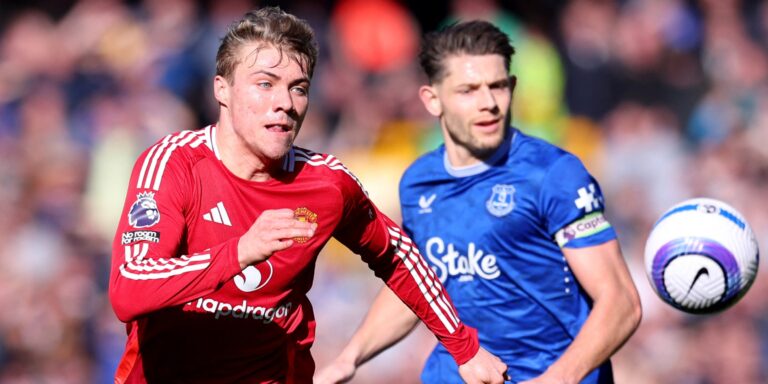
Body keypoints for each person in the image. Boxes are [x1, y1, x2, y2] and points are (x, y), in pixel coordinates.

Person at [108, 7, 509, 384]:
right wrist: (240, 252)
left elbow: (398, 256)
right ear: (222, 90)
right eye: (265, 84)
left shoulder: (326, 184)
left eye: (298, 88)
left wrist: (464, 348)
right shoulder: (174, 164)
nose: (284, 103)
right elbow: (129, 288)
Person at [315, 20, 642, 384]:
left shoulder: (552, 175)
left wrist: (558, 378)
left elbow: (621, 302)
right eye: (468, 90)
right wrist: (350, 357)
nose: (488, 103)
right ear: (432, 99)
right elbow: (417, 286)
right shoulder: (418, 183)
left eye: (498, 86)